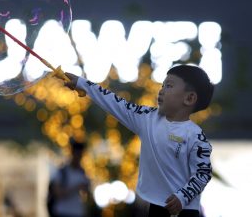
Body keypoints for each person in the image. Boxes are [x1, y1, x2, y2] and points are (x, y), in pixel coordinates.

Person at [61, 65, 214, 217]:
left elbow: (203, 172)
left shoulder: (196, 136)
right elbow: (115, 103)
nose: (162, 90)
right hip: (156, 207)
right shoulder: (147, 119)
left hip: (185, 210)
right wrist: (82, 84)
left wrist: (183, 197)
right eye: (163, 85)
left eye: (169, 86)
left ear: (189, 98)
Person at [48, 138, 91, 217]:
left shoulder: (82, 172)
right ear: (72, 153)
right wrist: (76, 187)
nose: (78, 157)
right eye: (77, 154)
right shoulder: (62, 172)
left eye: (80, 155)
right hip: (62, 212)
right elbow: (57, 193)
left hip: (77, 212)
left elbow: (87, 194)